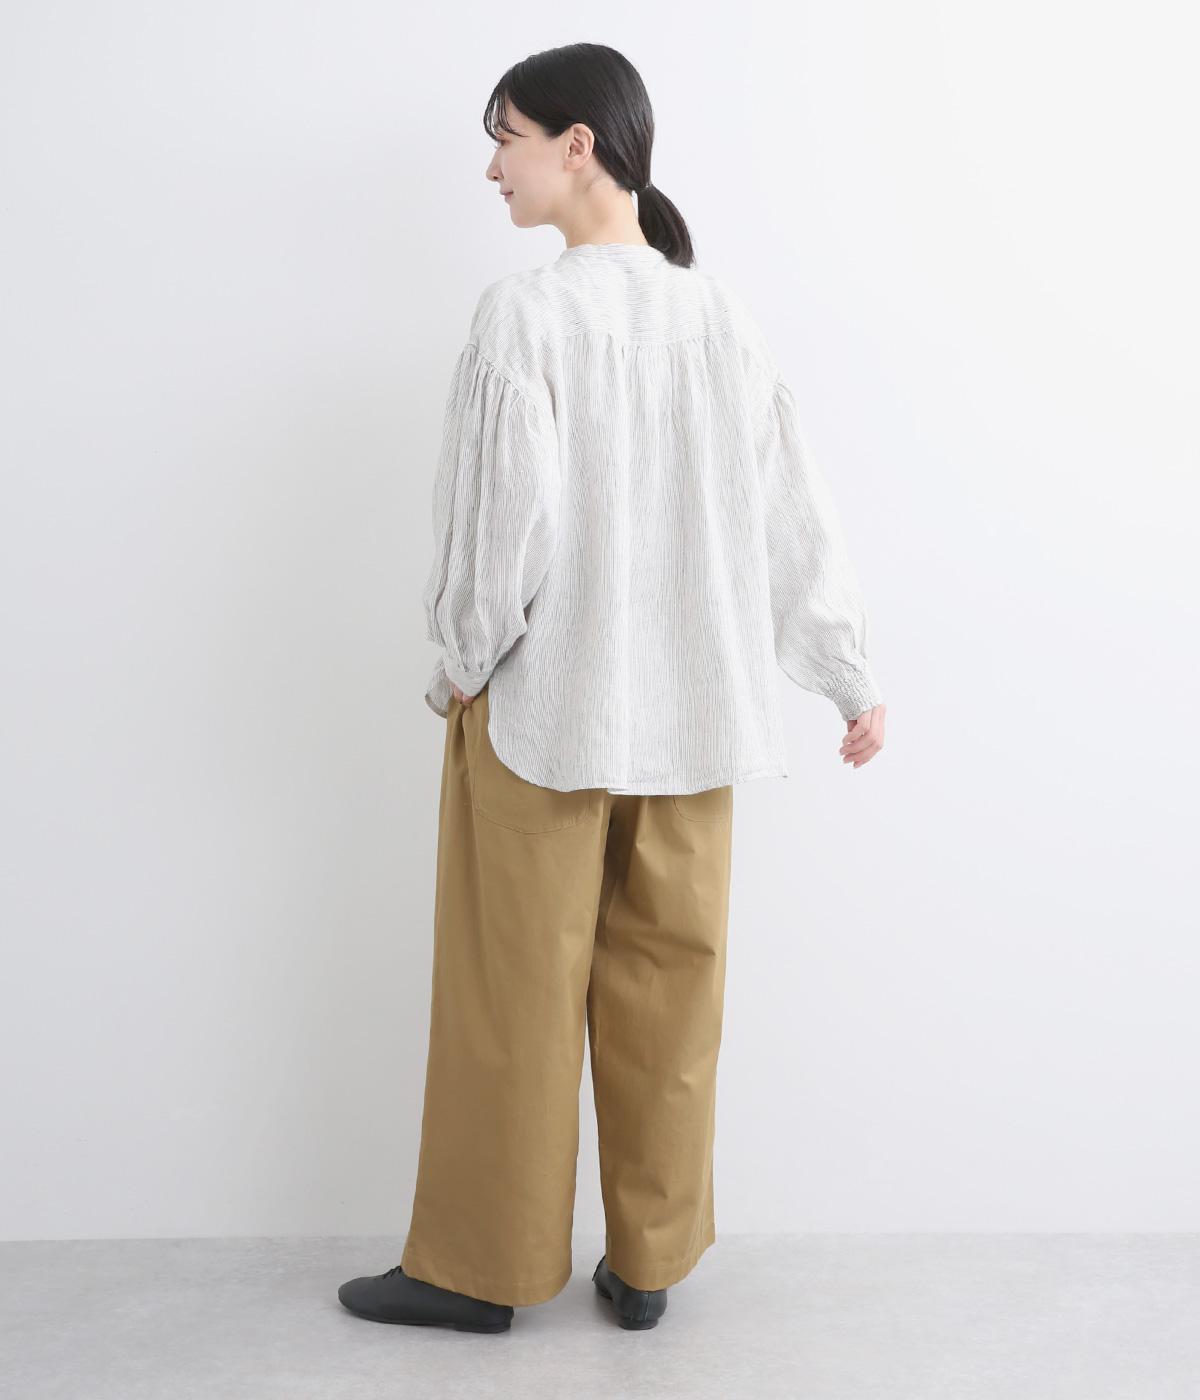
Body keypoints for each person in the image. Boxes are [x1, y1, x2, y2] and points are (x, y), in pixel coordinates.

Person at [338, 41, 886, 1335]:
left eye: (507, 138)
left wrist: (459, 668)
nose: (493, 168)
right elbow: (791, 516)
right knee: (670, 1004)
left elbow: (498, 542)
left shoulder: (524, 318)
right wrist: (846, 675)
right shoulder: (723, 319)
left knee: (512, 1006)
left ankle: (478, 1273)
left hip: (545, 720)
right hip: (698, 728)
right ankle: (648, 1266)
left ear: (578, 144)